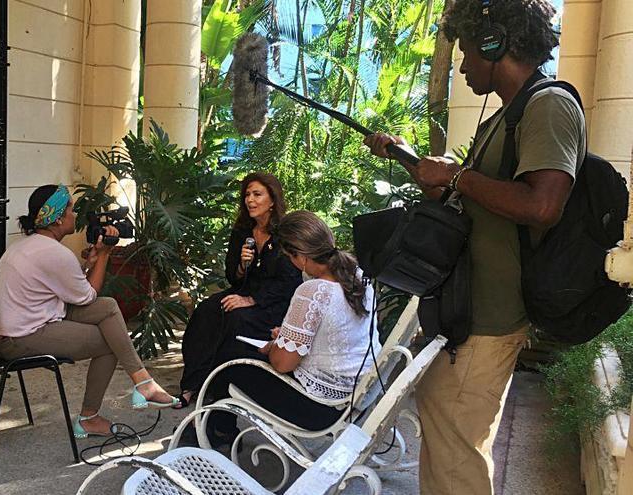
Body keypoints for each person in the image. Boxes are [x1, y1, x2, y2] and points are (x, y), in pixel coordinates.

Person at [364, 1, 582, 493]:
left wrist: (458, 174)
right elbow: (469, 199)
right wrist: (408, 159)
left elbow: (544, 205)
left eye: (466, 53)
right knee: (450, 441)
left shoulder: (548, 104)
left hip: (491, 317)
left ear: (495, 44)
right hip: (468, 312)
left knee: (456, 451)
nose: (461, 67)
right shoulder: (505, 118)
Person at [0, 184, 178, 439]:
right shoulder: (54, 253)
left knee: (108, 308)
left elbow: (70, 289)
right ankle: (90, 417)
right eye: (70, 210)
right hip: (17, 340)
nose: (75, 215)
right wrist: (107, 253)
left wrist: (91, 262)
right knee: (111, 342)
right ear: (57, 218)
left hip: (11, 329)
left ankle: (142, 382)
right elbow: (87, 296)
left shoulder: (28, 245)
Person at [202, 210, 379, 435]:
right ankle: (220, 430)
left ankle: (216, 432)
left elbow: (282, 364)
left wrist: (274, 346)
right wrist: (288, 337)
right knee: (239, 350)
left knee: (229, 358)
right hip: (357, 394)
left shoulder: (313, 290)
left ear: (301, 256)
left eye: (290, 257)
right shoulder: (357, 276)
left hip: (321, 409)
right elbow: (338, 332)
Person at [175, 172, 302, 408]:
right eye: (247, 195)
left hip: (274, 301)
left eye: (257, 194)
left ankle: (221, 385)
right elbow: (232, 277)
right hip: (244, 290)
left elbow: (289, 281)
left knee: (235, 318)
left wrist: (252, 300)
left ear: (272, 200)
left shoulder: (286, 234)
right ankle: (193, 384)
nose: (250, 200)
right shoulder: (242, 232)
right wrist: (243, 266)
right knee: (206, 311)